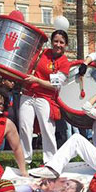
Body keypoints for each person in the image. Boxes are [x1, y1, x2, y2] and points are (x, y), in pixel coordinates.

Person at [20, 30, 71, 164]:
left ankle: (50, 161)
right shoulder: (42, 53)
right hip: (27, 94)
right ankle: (25, 160)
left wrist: (37, 81)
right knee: (25, 128)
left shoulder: (65, 63)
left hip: (45, 98)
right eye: (56, 41)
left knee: (47, 129)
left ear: (66, 45)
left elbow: (56, 86)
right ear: (51, 41)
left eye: (61, 42)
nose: (58, 45)